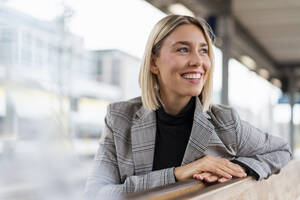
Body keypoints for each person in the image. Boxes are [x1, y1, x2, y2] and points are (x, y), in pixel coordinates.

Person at [84, 15, 291, 199]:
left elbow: (281, 151)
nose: (197, 61)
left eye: (203, 50)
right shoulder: (120, 117)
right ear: (154, 63)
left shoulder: (224, 122)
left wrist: (238, 168)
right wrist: (178, 174)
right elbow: (96, 194)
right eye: (183, 49)